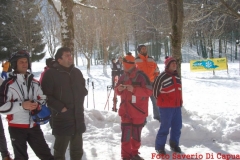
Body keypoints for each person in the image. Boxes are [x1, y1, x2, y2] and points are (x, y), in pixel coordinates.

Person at [0, 50, 54, 160]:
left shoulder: (35, 82)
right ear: (15, 64)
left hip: (34, 126)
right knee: (21, 158)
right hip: (16, 128)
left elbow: (42, 98)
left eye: (26, 61)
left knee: (47, 156)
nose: (25, 64)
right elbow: (2, 107)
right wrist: (22, 105)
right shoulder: (8, 85)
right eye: (21, 62)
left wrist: (38, 104)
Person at [41, 47, 87, 160]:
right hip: (62, 118)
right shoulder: (50, 74)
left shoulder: (76, 72)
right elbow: (46, 96)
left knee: (77, 151)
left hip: (77, 116)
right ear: (59, 60)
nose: (70, 57)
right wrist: (60, 108)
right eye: (67, 55)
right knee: (59, 151)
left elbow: (82, 88)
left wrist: (83, 93)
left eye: (70, 55)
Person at [115, 52, 152, 160]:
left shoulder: (142, 76)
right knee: (125, 136)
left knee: (136, 136)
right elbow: (117, 90)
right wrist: (119, 90)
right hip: (125, 111)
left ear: (128, 64)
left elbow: (149, 91)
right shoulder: (122, 77)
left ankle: (134, 153)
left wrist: (135, 90)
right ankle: (125, 156)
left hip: (138, 112)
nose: (122, 66)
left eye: (124, 64)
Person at [152, 56, 183, 154]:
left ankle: (174, 144)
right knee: (165, 127)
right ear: (168, 65)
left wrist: (180, 102)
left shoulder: (177, 76)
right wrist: (164, 100)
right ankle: (160, 147)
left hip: (177, 107)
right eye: (172, 63)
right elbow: (155, 92)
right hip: (166, 108)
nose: (175, 65)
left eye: (175, 63)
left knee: (177, 126)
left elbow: (179, 91)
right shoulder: (161, 76)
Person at [135, 45, 160, 122]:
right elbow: (133, 73)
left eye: (145, 48)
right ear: (139, 50)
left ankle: (157, 117)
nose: (145, 49)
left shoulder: (151, 59)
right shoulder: (136, 60)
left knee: (155, 101)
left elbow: (157, 70)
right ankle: (143, 119)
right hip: (142, 85)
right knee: (143, 103)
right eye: (143, 48)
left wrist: (156, 79)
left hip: (152, 84)